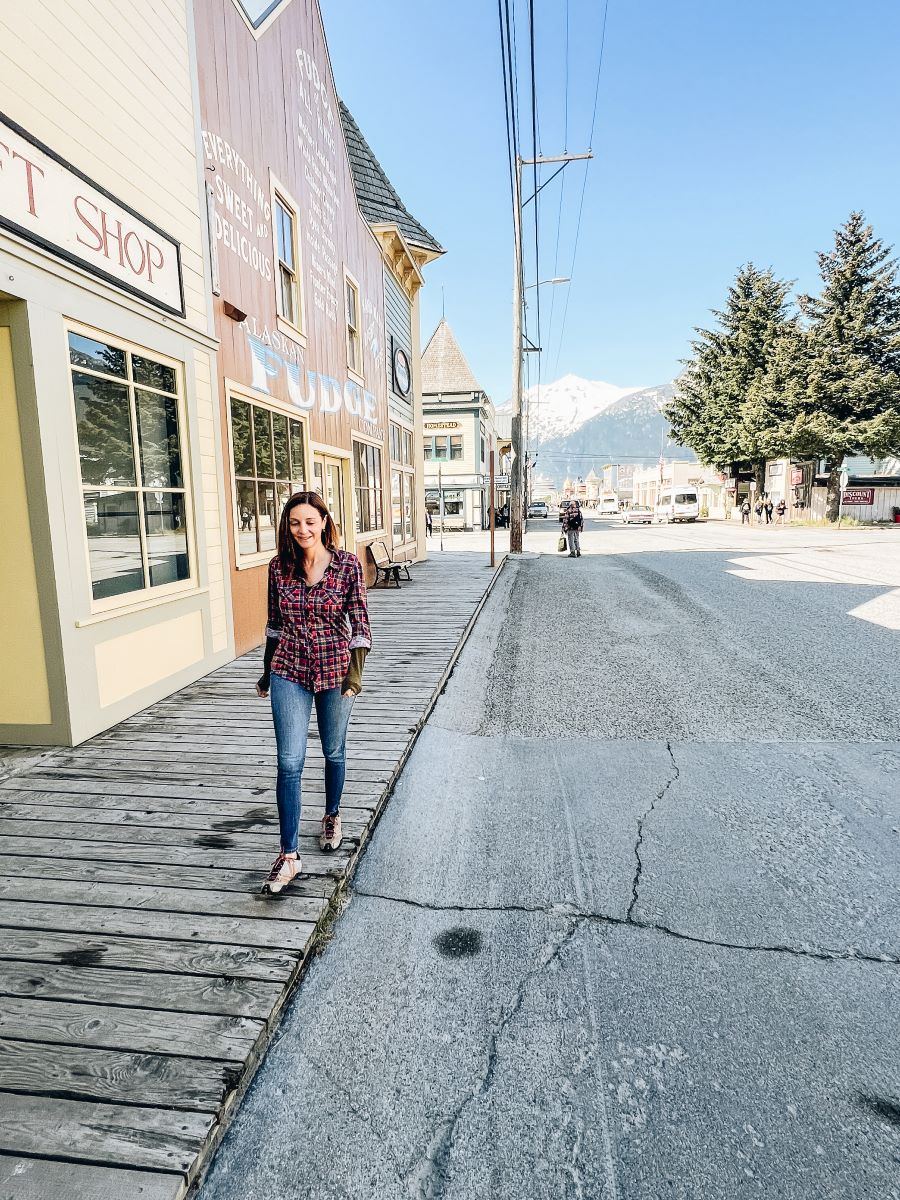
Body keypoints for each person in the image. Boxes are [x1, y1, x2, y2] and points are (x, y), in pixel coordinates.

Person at [256, 491, 371, 894]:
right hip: (289, 669)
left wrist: (354, 677)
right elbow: (273, 624)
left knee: (333, 750)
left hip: (336, 671)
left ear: (324, 522)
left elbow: (360, 624)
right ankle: (289, 855)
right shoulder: (278, 568)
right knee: (289, 762)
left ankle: (332, 814)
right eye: (294, 523)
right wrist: (266, 673)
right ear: (287, 527)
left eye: (309, 521)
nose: (302, 530)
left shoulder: (347, 566)